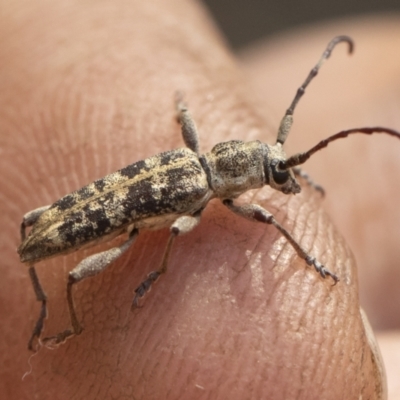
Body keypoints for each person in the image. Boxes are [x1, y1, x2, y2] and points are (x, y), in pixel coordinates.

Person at [1, 1, 399, 398]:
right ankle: (65, 315)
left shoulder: (193, 156)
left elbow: (240, 149)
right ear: (245, 174)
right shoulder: (196, 191)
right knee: (74, 275)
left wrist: (183, 109)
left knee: (30, 221)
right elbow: (177, 229)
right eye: (275, 173)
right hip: (84, 227)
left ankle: (46, 300)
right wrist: (155, 273)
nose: (282, 177)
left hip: (78, 209)